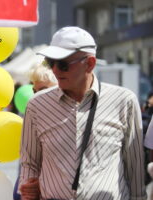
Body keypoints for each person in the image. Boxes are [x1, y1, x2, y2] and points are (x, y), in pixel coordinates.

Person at [19, 26, 146, 200]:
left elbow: (135, 167)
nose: (55, 70)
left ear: (90, 64)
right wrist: (28, 187)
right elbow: (29, 163)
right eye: (50, 62)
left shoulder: (124, 101)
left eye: (63, 64)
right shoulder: (37, 105)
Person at [13, 63, 58, 200]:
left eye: (43, 90)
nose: (36, 97)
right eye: (34, 91)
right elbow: (27, 165)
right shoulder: (32, 117)